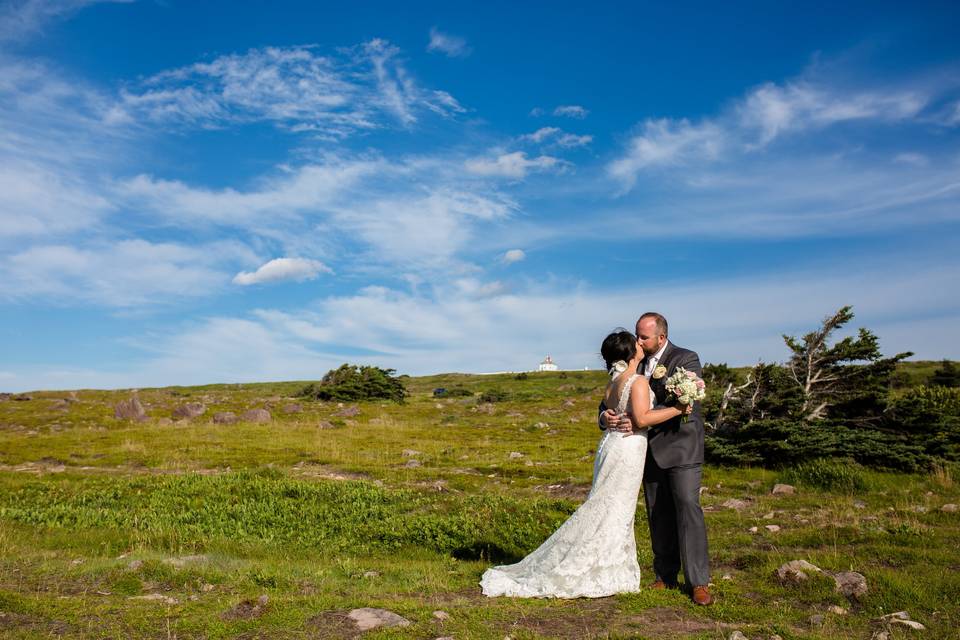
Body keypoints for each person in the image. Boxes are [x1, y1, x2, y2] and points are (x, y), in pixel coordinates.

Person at [480, 330, 689, 598]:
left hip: (612, 444)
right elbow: (643, 418)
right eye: (636, 343)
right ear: (630, 353)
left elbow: (614, 411)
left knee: (607, 506)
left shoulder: (612, 382)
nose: (640, 344)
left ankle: (608, 564)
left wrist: (606, 417)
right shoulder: (636, 381)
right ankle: (602, 569)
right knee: (614, 509)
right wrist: (678, 409)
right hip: (627, 447)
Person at [600, 312, 712, 605]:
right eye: (637, 335)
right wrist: (605, 416)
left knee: (688, 508)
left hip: (680, 448)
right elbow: (609, 397)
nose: (638, 340)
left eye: (644, 337)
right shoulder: (631, 363)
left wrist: (640, 419)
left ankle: (698, 582)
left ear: (661, 337)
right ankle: (664, 574)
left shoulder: (685, 359)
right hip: (644, 451)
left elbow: (683, 402)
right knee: (657, 512)